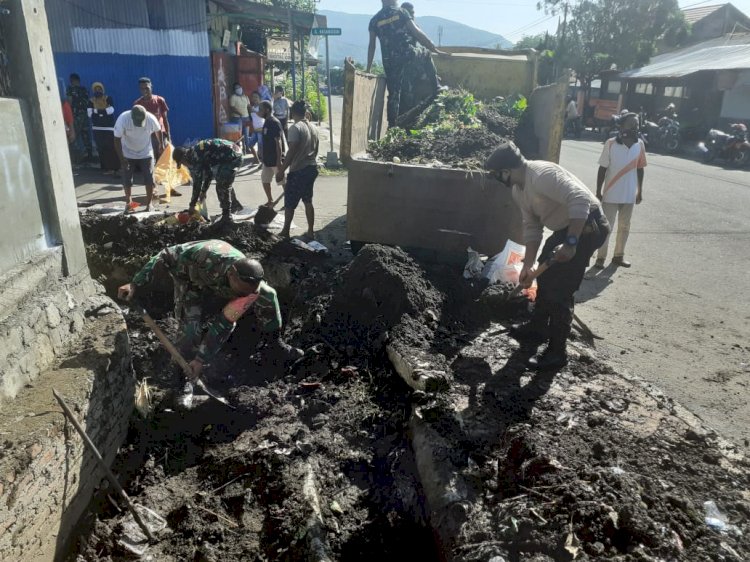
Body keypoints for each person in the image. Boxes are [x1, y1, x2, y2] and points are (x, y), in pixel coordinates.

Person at [485, 141, 610, 370]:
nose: (498, 180)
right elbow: (532, 227)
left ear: (507, 171)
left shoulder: (542, 175)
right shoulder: (518, 191)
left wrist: (571, 243)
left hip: (588, 226)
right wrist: (528, 266)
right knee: (544, 277)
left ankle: (556, 352)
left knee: (560, 288)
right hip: (565, 229)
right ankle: (538, 329)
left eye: (496, 175)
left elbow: (580, 199)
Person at [117, 240, 303, 385]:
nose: (245, 296)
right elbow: (164, 256)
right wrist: (135, 283)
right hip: (191, 280)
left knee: (269, 295)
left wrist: (202, 358)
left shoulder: (248, 287)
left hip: (218, 283)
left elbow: (224, 323)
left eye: (250, 292)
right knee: (190, 327)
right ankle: (183, 375)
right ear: (231, 274)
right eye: (242, 292)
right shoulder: (199, 257)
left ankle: (274, 345)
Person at [367, 0, 444, 126]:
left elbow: (372, 46)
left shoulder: (374, 20)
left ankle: (392, 127)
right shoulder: (402, 12)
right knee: (426, 53)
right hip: (407, 56)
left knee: (393, 95)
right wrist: (433, 48)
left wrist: (368, 69)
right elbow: (417, 33)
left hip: (389, 64)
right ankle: (437, 87)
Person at [594, 113, 646, 269]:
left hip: (629, 195)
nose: (635, 127)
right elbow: (602, 169)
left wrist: (640, 191)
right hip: (611, 193)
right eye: (631, 124)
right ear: (622, 126)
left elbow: (640, 169)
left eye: (637, 124)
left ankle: (618, 256)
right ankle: (600, 258)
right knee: (606, 228)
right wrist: (598, 191)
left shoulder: (640, 145)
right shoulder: (611, 144)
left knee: (624, 227)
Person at [173, 139, 244, 225]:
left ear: (184, 157)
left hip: (233, 157)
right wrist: (203, 192)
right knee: (223, 180)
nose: (185, 165)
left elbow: (197, 183)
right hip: (231, 155)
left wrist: (192, 205)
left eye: (182, 163)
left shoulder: (196, 157)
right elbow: (209, 174)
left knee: (222, 184)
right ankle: (234, 205)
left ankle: (227, 217)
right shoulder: (195, 152)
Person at [276, 101, 319, 240]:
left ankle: (285, 231)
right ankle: (311, 231)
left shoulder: (295, 128)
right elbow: (316, 150)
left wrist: (282, 170)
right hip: (312, 168)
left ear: (292, 113)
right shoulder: (313, 127)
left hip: (299, 169)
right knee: (307, 200)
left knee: (289, 202)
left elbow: (292, 150)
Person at [113, 105, 162, 212]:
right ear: (131, 117)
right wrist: (122, 159)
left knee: (149, 177)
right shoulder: (123, 119)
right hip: (128, 152)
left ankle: (149, 204)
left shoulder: (151, 118)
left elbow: (158, 131)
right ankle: (129, 203)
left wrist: (160, 145)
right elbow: (116, 139)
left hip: (146, 152)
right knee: (127, 178)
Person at [134, 77, 170, 159]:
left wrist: (168, 137)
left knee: (163, 158)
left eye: (147, 88)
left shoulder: (159, 100)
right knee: (151, 158)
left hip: (161, 135)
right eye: (142, 89)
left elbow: (165, 119)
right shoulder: (137, 104)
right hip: (147, 137)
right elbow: (136, 124)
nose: (144, 91)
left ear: (151, 87)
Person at [87, 82, 120, 175]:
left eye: (100, 89)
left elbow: (111, 111)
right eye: (96, 90)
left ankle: (115, 168)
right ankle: (106, 168)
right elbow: (89, 113)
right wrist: (103, 112)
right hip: (97, 128)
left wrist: (96, 111)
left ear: (103, 90)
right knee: (101, 148)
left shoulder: (107, 98)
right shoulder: (91, 100)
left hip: (109, 128)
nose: (98, 91)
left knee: (111, 148)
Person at [258, 100, 285, 207]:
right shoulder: (266, 122)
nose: (259, 111)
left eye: (261, 109)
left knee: (282, 182)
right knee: (265, 180)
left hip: (275, 159)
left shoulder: (274, 122)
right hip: (267, 160)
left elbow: (278, 142)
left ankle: (289, 202)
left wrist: (279, 162)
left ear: (267, 110)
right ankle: (270, 201)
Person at [66, 73, 92, 160]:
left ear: (72, 80)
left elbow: (69, 101)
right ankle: (89, 155)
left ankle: (76, 158)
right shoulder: (84, 89)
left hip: (76, 115)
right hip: (84, 115)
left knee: (74, 135)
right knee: (86, 135)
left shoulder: (70, 89)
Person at [229, 82, 252, 151]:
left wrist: (250, 115)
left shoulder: (245, 97)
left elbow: (249, 106)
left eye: (239, 87)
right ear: (234, 90)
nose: (238, 89)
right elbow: (232, 108)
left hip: (246, 117)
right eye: (236, 88)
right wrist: (239, 113)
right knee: (238, 134)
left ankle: (247, 148)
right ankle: (238, 149)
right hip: (237, 118)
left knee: (246, 134)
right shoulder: (233, 97)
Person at [247, 91, 265, 162]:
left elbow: (261, 114)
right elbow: (252, 118)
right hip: (255, 130)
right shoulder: (252, 108)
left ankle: (263, 162)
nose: (254, 98)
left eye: (256, 97)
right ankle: (256, 159)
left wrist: (252, 110)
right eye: (253, 97)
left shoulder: (261, 107)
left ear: (260, 99)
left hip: (261, 130)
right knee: (250, 145)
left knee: (261, 147)